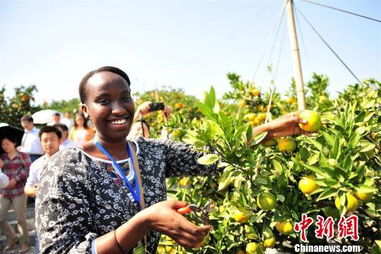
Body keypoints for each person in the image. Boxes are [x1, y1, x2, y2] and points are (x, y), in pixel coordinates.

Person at [36, 66, 308, 254]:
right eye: (104, 100)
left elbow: (210, 156)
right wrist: (144, 222)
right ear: (86, 109)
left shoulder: (151, 152)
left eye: (125, 97)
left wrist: (270, 130)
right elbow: (60, 250)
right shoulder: (64, 168)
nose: (118, 108)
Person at [25, 126, 61, 254]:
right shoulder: (36, 165)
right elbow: (27, 189)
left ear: (59, 140)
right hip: (43, 216)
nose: (48, 143)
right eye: (45, 140)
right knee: (41, 248)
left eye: (52, 139)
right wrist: (38, 190)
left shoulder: (69, 160)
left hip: (65, 214)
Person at [0, 136, 31, 253]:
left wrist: (16, 179)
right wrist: (1, 167)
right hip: (5, 192)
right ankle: (12, 238)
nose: (5, 147)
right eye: (3, 145)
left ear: (14, 143)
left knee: (21, 219)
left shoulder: (22, 155)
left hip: (19, 191)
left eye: (7, 144)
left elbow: (28, 169)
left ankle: (25, 243)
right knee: (0, 218)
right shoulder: (2, 158)